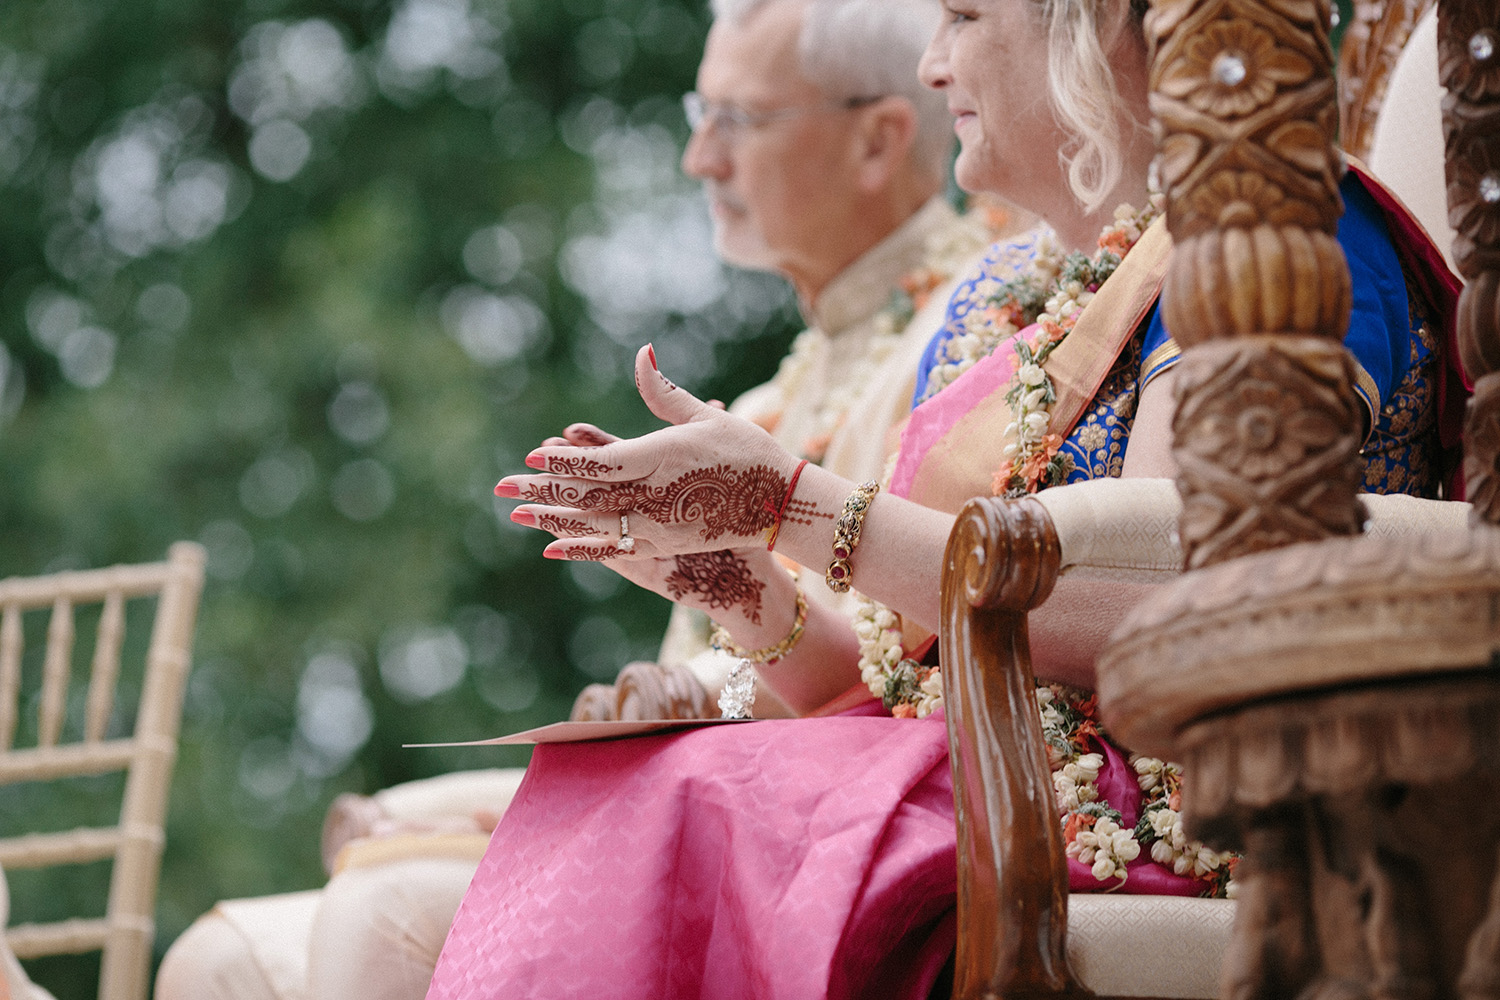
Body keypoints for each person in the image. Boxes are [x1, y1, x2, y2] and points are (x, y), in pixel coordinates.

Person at [424, 0, 1462, 995]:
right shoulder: (1001, 300)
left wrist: (792, 504)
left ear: (1105, 23)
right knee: (626, 789)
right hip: (987, 783)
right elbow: (894, 684)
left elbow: (1170, 621)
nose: (931, 66)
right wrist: (737, 577)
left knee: (681, 803)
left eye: (965, 17)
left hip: (1201, 809)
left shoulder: (1276, 243)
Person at [154, 1, 1022, 998]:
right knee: (216, 958)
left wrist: (690, 684)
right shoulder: (786, 383)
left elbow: (882, 687)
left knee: (379, 907)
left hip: (819, 811)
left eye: (738, 121)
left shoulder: (969, 336)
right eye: (701, 113)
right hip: (705, 781)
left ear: (880, 137)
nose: (699, 158)